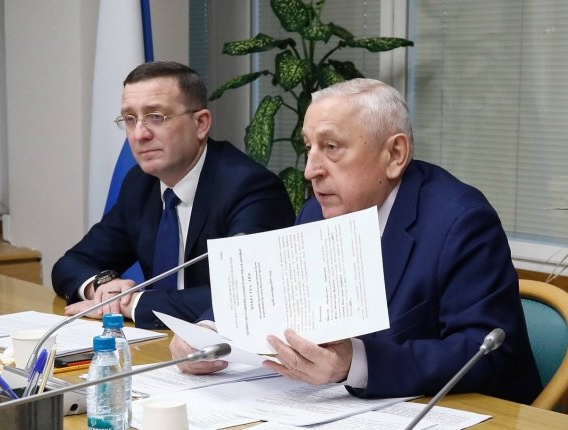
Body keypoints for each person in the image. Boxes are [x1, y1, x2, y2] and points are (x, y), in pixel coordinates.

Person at [170, 78, 542, 404]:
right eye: (309, 147)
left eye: (331, 147)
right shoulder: (317, 212)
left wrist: (356, 364)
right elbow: (272, 299)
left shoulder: (460, 221)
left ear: (394, 154)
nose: (310, 170)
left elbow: (486, 353)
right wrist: (207, 331)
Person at [52, 61, 295, 329]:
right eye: (130, 119)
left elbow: (247, 295)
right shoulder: (140, 184)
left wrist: (130, 303)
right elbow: (71, 263)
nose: (140, 134)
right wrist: (102, 287)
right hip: (156, 341)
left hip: (220, 347)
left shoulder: (249, 187)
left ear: (200, 123)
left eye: (156, 117)